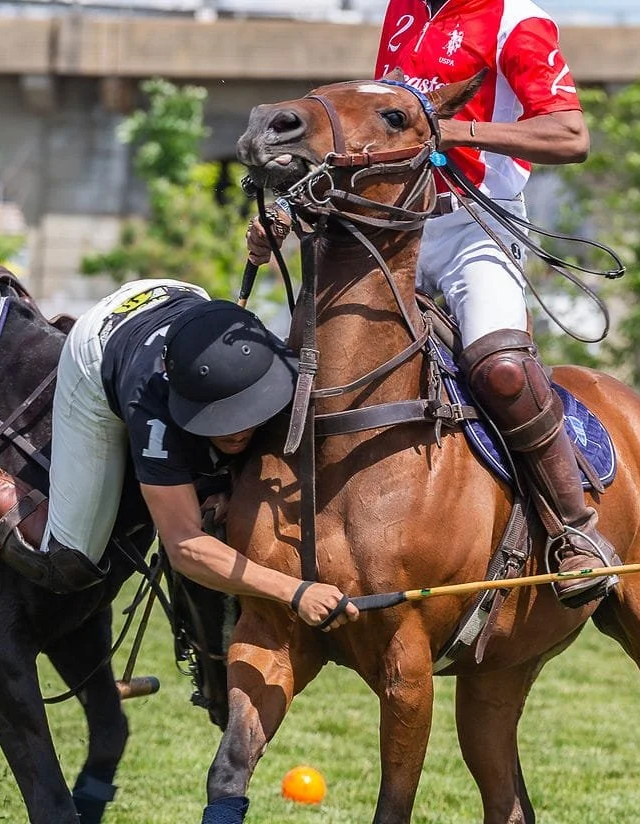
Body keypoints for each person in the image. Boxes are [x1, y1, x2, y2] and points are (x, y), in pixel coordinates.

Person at [245, 0, 616, 608]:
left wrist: (448, 129)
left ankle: (574, 531)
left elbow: (571, 135)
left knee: (500, 365)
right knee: (300, 362)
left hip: (475, 225)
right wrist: (290, 211)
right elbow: (368, 136)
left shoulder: (515, 20)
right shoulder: (404, 10)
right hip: (387, 223)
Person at [0, 278, 358, 629]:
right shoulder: (151, 408)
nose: (238, 432)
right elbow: (185, 547)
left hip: (177, 298)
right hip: (100, 345)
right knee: (62, 560)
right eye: (223, 424)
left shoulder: (273, 362)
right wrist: (292, 591)